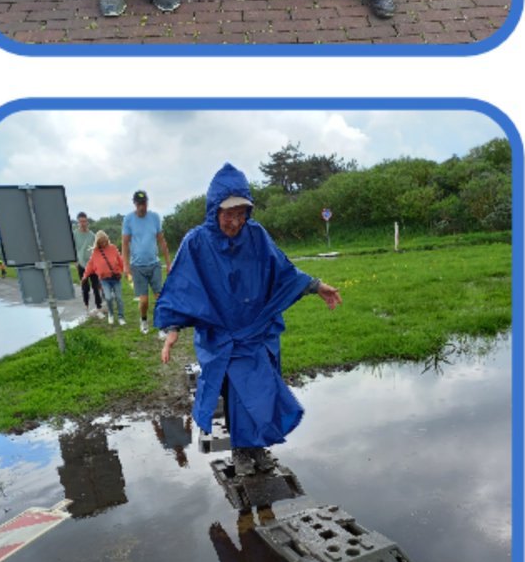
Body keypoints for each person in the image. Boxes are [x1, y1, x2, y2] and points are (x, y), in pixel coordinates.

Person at [155, 163, 341, 476]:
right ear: (214, 209)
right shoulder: (197, 242)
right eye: (228, 213)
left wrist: (315, 286)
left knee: (262, 389)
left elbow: (282, 269)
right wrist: (172, 329)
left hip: (256, 331)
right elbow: (181, 287)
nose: (235, 220)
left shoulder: (256, 236)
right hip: (221, 335)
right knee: (235, 393)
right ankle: (242, 451)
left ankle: (257, 447)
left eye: (241, 213)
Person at [122, 189, 171, 335]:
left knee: (159, 298)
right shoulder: (128, 219)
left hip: (154, 264)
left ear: (147, 203)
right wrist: (126, 266)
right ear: (134, 204)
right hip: (137, 266)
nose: (142, 207)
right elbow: (125, 244)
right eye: (139, 204)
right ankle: (143, 320)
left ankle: (162, 326)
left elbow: (162, 241)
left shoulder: (155, 217)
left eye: (144, 203)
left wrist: (168, 263)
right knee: (144, 301)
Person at [85, 230, 127, 326]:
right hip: (104, 280)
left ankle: (121, 317)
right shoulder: (95, 252)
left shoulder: (112, 248)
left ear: (107, 240)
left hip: (115, 278)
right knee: (108, 298)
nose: (104, 243)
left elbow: (120, 260)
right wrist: (85, 276)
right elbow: (90, 265)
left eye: (105, 241)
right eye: (101, 242)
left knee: (119, 298)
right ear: (98, 242)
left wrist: (125, 270)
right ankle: (111, 314)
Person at [72, 212, 102, 316]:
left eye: (84, 221)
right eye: (80, 221)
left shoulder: (92, 235)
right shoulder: (74, 234)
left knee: (96, 286)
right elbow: (72, 248)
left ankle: (99, 307)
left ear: (87, 222)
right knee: (85, 287)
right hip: (81, 264)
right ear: (78, 222)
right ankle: (86, 307)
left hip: (92, 265)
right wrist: (75, 261)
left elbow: (97, 250)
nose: (83, 223)